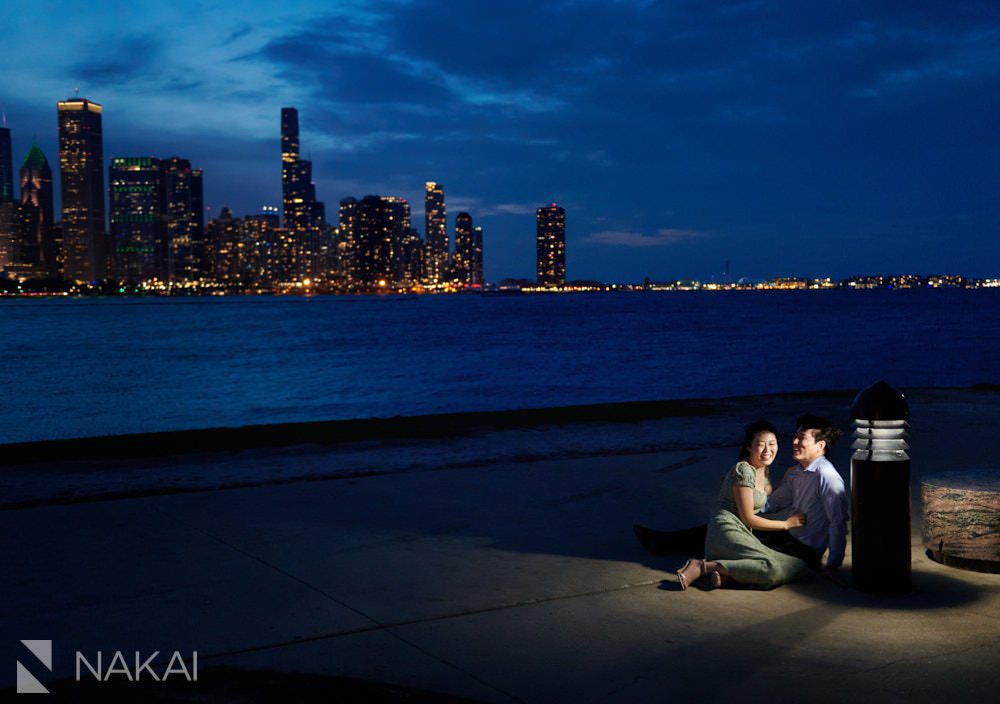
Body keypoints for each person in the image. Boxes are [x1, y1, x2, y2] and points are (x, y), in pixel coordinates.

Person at [675, 419, 812, 590]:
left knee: (798, 566)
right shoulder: (744, 470)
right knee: (772, 568)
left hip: (744, 531)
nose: (768, 450)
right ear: (749, 446)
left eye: (772, 444)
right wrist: (786, 524)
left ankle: (726, 576)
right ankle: (702, 567)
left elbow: (773, 495)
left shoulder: (763, 469)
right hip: (726, 529)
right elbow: (748, 518)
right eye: (760, 444)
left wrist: (792, 476)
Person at [759, 414, 848, 579]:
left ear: (820, 445)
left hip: (806, 551)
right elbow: (770, 505)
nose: (794, 442)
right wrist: (742, 491)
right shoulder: (795, 472)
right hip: (788, 537)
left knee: (750, 549)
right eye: (795, 437)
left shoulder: (827, 476)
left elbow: (838, 523)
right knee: (737, 530)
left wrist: (833, 565)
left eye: (801, 439)